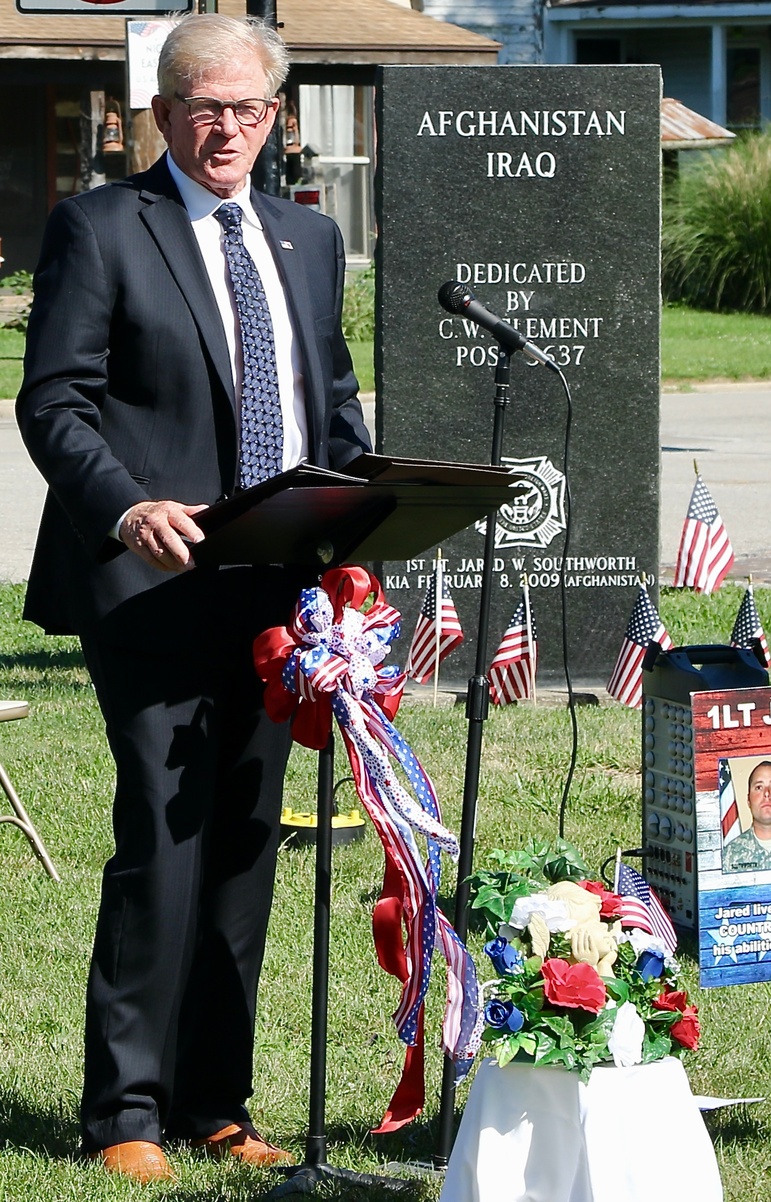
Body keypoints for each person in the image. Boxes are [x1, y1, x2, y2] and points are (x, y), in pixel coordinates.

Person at [16, 13, 370, 1184]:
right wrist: (126, 505)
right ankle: (123, 1108)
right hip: (153, 581)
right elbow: (54, 402)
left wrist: (358, 538)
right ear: (160, 114)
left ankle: (217, 1099)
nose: (228, 128)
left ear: (280, 118)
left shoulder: (306, 239)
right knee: (162, 840)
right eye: (204, 106)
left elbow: (332, 402)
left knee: (248, 841)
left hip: (283, 595)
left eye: (250, 108)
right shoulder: (102, 227)